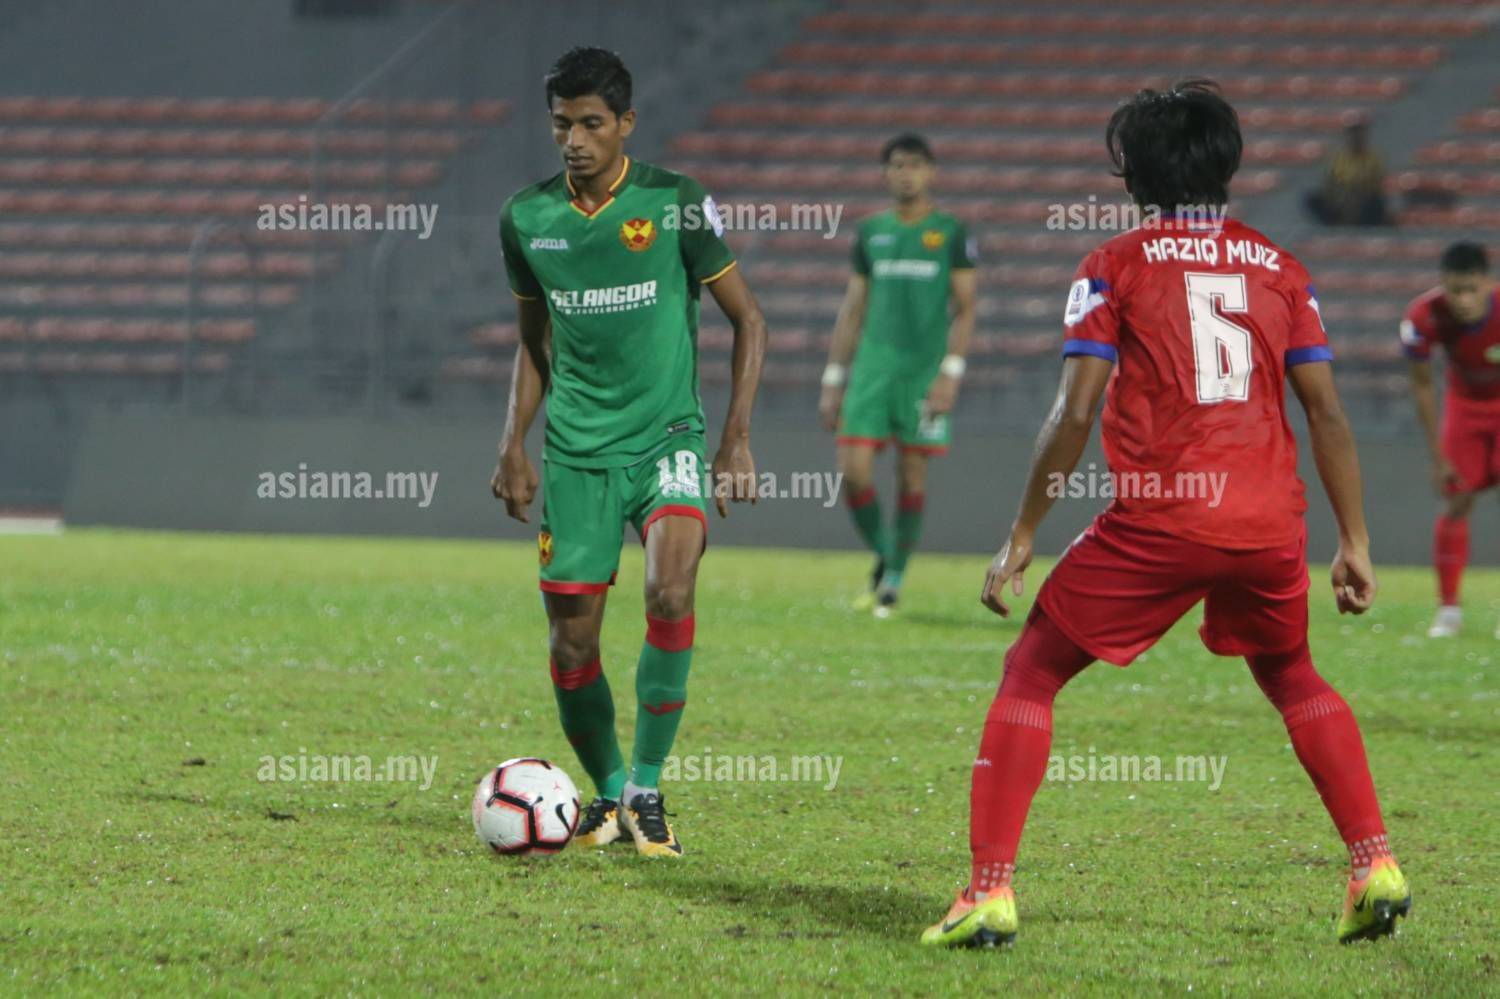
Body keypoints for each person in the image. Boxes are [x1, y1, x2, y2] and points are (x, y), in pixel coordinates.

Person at [923, 80, 1409, 948]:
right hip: (1269, 523)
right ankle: (1375, 863)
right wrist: (1357, 541)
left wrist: (1023, 533)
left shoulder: (1112, 265)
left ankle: (987, 890)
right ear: (1228, 166)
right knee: (1292, 672)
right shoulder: (1281, 267)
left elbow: (1075, 411)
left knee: (1032, 670)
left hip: (1164, 518)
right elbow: (1327, 413)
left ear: (1135, 178)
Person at [492, 47, 766, 858]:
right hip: (577, 451)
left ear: (626, 123)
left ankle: (646, 787)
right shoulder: (526, 218)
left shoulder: (674, 203)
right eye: (561, 125)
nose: (574, 140)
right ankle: (610, 789)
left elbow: (749, 319)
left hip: (666, 438)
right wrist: (512, 443)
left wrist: (735, 439)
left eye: (591, 123)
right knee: (571, 643)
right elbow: (533, 342)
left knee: (670, 590)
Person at [818, 134, 978, 616]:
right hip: (871, 370)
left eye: (914, 165)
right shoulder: (871, 232)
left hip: (922, 374)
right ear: (885, 173)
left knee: (911, 477)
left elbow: (966, 307)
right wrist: (833, 376)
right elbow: (853, 308)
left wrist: (950, 373)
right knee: (853, 474)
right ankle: (890, 557)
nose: (905, 174)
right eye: (897, 165)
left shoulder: (950, 232)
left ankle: (893, 579)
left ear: (931, 171)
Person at [1401, 241, 1500, 637]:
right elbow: (1422, 385)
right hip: (1464, 405)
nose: (1463, 300)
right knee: (1456, 499)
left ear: (1488, 283)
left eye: (1471, 289)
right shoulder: (1423, 316)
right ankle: (1448, 610)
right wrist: (1437, 453)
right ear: (1443, 284)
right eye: (1455, 290)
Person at [1305, 119, 1391, 227]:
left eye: (1358, 136)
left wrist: (1356, 190)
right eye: (1352, 136)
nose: (1355, 139)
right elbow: (1331, 181)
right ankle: (1334, 221)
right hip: (1341, 197)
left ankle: (1360, 221)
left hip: (1364, 197)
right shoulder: (1338, 158)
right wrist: (1338, 194)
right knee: (1312, 198)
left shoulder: (1373, 158)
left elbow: (1375, 184)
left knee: (1374, 201)